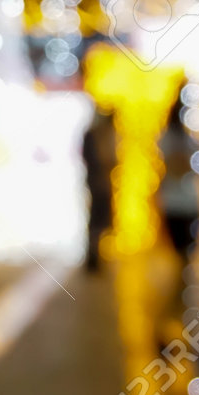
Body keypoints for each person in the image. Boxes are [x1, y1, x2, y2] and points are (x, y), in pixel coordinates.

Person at [157, 90, 199, 339]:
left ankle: (175, 316)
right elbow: (176, 168)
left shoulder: (186, 138)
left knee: (185, 265)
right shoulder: (170, 138)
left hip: (188, 204)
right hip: (176, 206)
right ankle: (169, 317)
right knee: (181, 264)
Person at [81, 104, 117, 273]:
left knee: (102, 220)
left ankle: (97, 256)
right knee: (97, 219)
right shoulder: (94, 135)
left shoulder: (105, 134)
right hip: (97, 183)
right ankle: (93, 257)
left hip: (102, 183)